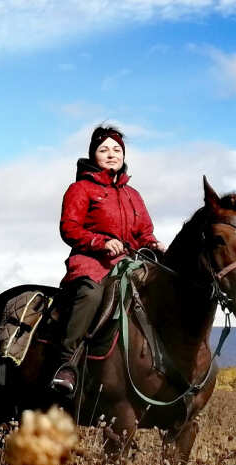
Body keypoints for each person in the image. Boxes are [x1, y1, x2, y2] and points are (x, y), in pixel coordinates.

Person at [51, 124, 161, 398]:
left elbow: (144, 232)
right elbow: (69, 228)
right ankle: (67, 364)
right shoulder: (81, 189)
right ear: (93, 155)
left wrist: (154, 243)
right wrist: (100, 242)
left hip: (129, 264)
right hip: (91, 263)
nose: (112, 154)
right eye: (104, 149)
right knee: (91, 294)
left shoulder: (133, 194)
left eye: (117, 149)